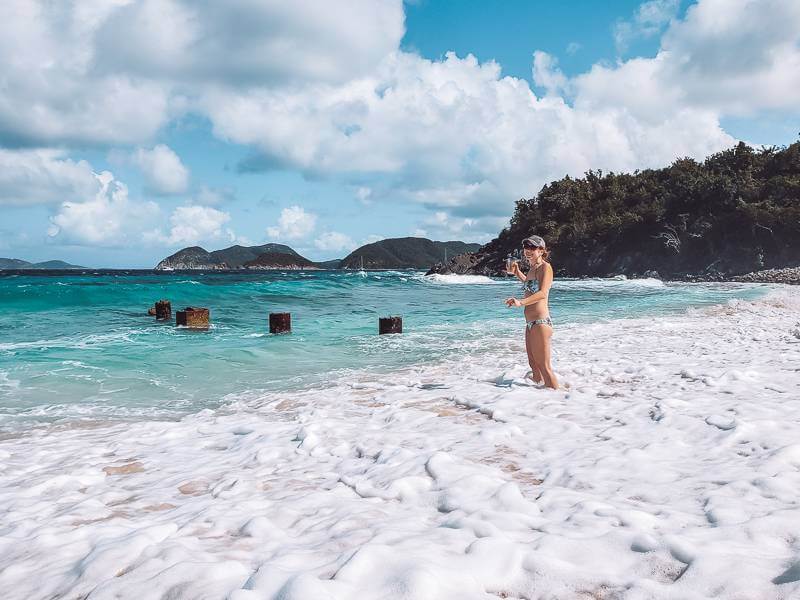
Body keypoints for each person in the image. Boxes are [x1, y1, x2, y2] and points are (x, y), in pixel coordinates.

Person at [505, 235, 559, 390]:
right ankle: (537, 400)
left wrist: (520, 302)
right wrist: (517, 273)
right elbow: (530, 285)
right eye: (526, 248)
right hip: (530, 323)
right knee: (534, 365)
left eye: (532, 248)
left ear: (541, 250)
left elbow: (542, 293)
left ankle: (561, 402)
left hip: (541, 322)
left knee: (544, 367)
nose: (527, 251)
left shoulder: (545, 267)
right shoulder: (532, 269)